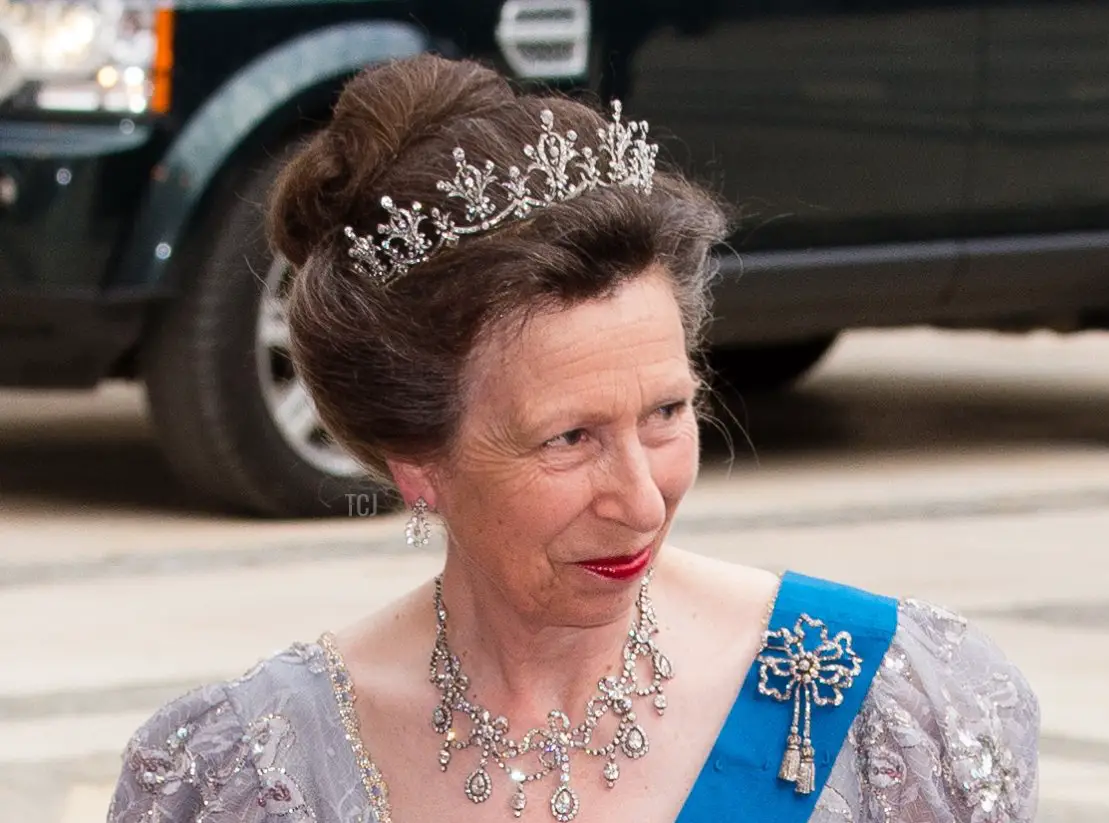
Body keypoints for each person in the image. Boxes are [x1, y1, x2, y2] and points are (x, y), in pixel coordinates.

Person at [107, 54, 1039, 823]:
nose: (640, 499)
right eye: (569, 438)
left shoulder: (883, 704)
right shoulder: (249, 775)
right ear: (415, 459)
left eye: (667, 413)